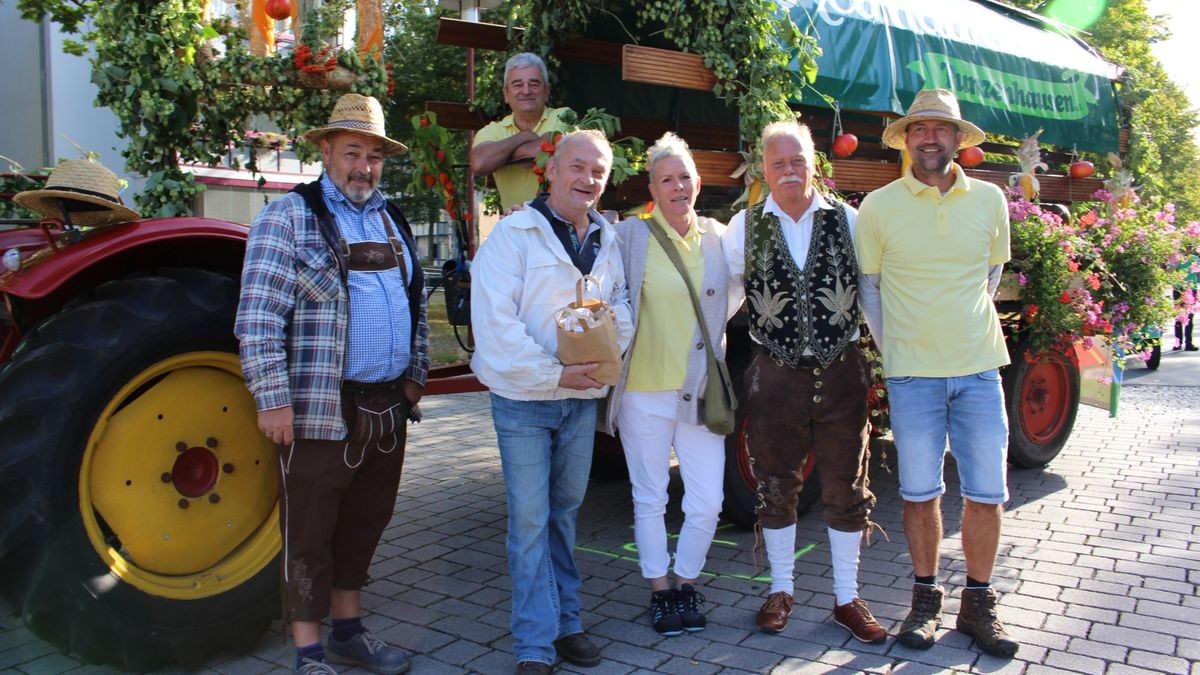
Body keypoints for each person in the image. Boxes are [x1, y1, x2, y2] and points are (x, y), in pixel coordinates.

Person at [235, 93, 428, 675]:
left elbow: (416, 303)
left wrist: (415, 377)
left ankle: (348, 633)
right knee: (309, 535)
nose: (364, 167)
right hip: (320, 408)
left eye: (374, 155)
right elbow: (258, 315)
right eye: (352, 152)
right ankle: (308, 653)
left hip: (386, 408)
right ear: (325, 151)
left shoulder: (393, 219)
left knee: (364, 527)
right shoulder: (287, 217)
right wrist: (272, 399)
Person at [855, 88, 1018, 658]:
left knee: (987, 494)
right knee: (920, 494)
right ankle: (925, 599)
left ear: (957, 139)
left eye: (941, 129)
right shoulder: (879, 207)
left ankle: (978, 601)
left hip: (979, 371)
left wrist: (962, 327)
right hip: (913, 377)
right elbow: (869, 290)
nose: (930, 138)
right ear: (906, 139)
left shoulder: (990, 200)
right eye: (919, 129)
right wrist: (900, 347)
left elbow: (992, 273)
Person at [470, 129, 634, 674]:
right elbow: (495, 325)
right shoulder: (514, 235)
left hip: (579, 402)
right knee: (530, 522)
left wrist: (607, 357)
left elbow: (619, 307)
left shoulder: (605, 239)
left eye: (599, 171)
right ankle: (535, 644)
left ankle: (568, 624)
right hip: (524, 401)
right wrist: (556, 374)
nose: (588, 179)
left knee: (564, 516)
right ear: (552, 170)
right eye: (578, 167)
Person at [720, 121, 885, 644]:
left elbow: (873, 295)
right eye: (778, 164)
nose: (789, 171)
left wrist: (894, 360)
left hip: (841, 373)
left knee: (846, 485)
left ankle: (846, 597)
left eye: (797, 161)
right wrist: (698, 357)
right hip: (776, 376)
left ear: (814, 164)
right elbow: (722, 301)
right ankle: (781, 589)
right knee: (775, 484)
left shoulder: (851, 221)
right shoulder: (741, 229)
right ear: (763, 170)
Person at [601, 132, 731, 636]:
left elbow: (732, 298)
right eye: (666, 179)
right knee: (650, 496)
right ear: (652, 188)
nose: (677, 186)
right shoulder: (630, 236)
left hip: (698, 389)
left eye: (684, 177)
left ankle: (686, 579)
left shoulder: (720, 238)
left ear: (698, 183)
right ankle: (660, 593)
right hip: (642, 390)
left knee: (707, 500)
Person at [470, 52, 573, 211]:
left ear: (546, 91)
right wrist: (524, 137)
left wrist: (501, 156)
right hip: (515, 227)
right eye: (517, 85)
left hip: (559, 225)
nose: (526, 91)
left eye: (534, 84)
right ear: (506, 94)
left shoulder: (563, 116)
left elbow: (542, 150)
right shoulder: (492, 130)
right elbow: (480, 163)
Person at [1174, 253, 1199, 351]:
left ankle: (1178, 343)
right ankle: (1187, 343)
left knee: (1180, 316)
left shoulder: (1177, 258)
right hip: (1186, 288)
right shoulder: (1194, 258)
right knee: (1188, 317)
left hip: (1179, 288)